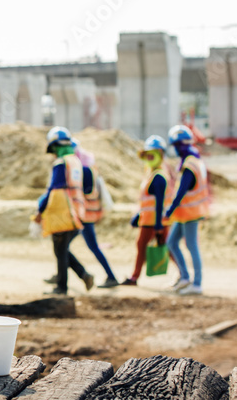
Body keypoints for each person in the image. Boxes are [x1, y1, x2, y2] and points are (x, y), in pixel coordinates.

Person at [35, 126, 94, 295]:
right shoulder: (75, 161)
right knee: (62, 249)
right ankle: (84, 275)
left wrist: (40, 209)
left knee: (60, 250)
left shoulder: (61, 163)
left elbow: (54, 189)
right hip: (77, 211)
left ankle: (62, 287)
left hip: (64, 213)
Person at [164, 125, 210, 296]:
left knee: (192, 246)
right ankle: (184, 277)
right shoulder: (194, 161)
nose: (174, 150)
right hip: (185, 213)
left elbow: (182, 192)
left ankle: (197, 283)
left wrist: (169, 211)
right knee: (171, 242)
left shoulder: (190, 165)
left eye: (175, 146)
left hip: (190, 213)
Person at [121, 135, 173, 286]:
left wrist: (158, 225)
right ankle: (135, 276)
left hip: (154, 221)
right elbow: (147, 201)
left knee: (157, 247)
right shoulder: (151, 174)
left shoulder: (159, 177)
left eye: (153, 154)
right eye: (148, 154)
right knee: (165, 247)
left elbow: (159, 204)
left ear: (161, 155)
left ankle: (134, 277)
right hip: (149, 219)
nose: (149, 157)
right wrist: (139, 215)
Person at [73, 140, 119, 288]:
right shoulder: (91, 168)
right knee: (64, 246)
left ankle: (110, 276)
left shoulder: (83, 170)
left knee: (65, 247)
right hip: (87, 215)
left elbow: (83, 192)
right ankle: (64, 274)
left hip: (84, 215)